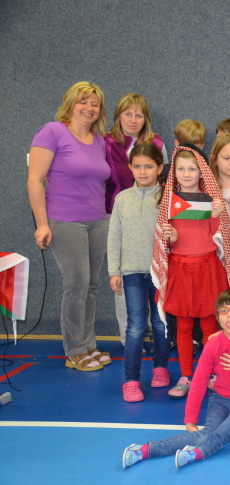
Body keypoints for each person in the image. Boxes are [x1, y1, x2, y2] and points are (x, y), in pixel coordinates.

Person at [121, 289, 230, 468]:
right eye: (223, 311)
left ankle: (199, 452)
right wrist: (190, 420)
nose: (229, 315)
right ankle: (145, 450)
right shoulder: (214, 344)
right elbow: (199, 382)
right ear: (217, 317)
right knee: (205, 433)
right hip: (221, 400)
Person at [28, 81, 112, 371]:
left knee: (91, 286)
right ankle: (75, 351)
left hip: (97, 220)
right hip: (65, 221)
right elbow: (35, 180)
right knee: (76, 284)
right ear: (70, 104)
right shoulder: (52, 131)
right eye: (83, 102)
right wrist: (42, 224)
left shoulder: (98, 140)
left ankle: (88, 344)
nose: (89, 108)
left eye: (95, 104)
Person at [151, 144, 230, 398]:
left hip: (207, 267)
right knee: (184, 328)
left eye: (192, 169)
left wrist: (218, 216)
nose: (186, 174)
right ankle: (186, 376)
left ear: (201, 173)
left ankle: (211, 374)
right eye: (181, 169)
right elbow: (165, 243)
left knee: (210, 327)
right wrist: (172, 237)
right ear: (174, 172)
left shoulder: (212, 201)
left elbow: (217, 238)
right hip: (180, 268)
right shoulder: (169, 203)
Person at [108, 143, 171, 401]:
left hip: (160, 273)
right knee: (135, 327)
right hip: (131, 273)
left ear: (159, 168)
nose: (143, 172)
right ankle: (131, 379)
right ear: (130, 168)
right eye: (137, 166)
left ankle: (160, 368)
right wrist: (114, 270)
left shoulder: (168, 198)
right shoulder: (122, 199)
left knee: (160, 323)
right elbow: (114, 237)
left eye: (148, 166)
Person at [104, 93, 168, 212]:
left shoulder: (157, 142)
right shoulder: (105, 142)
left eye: (138, 116)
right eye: (128, 114)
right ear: (118, 116)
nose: (133, 120)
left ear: (145, 119)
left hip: (151, 210)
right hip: (113, 210)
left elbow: (165, 177)